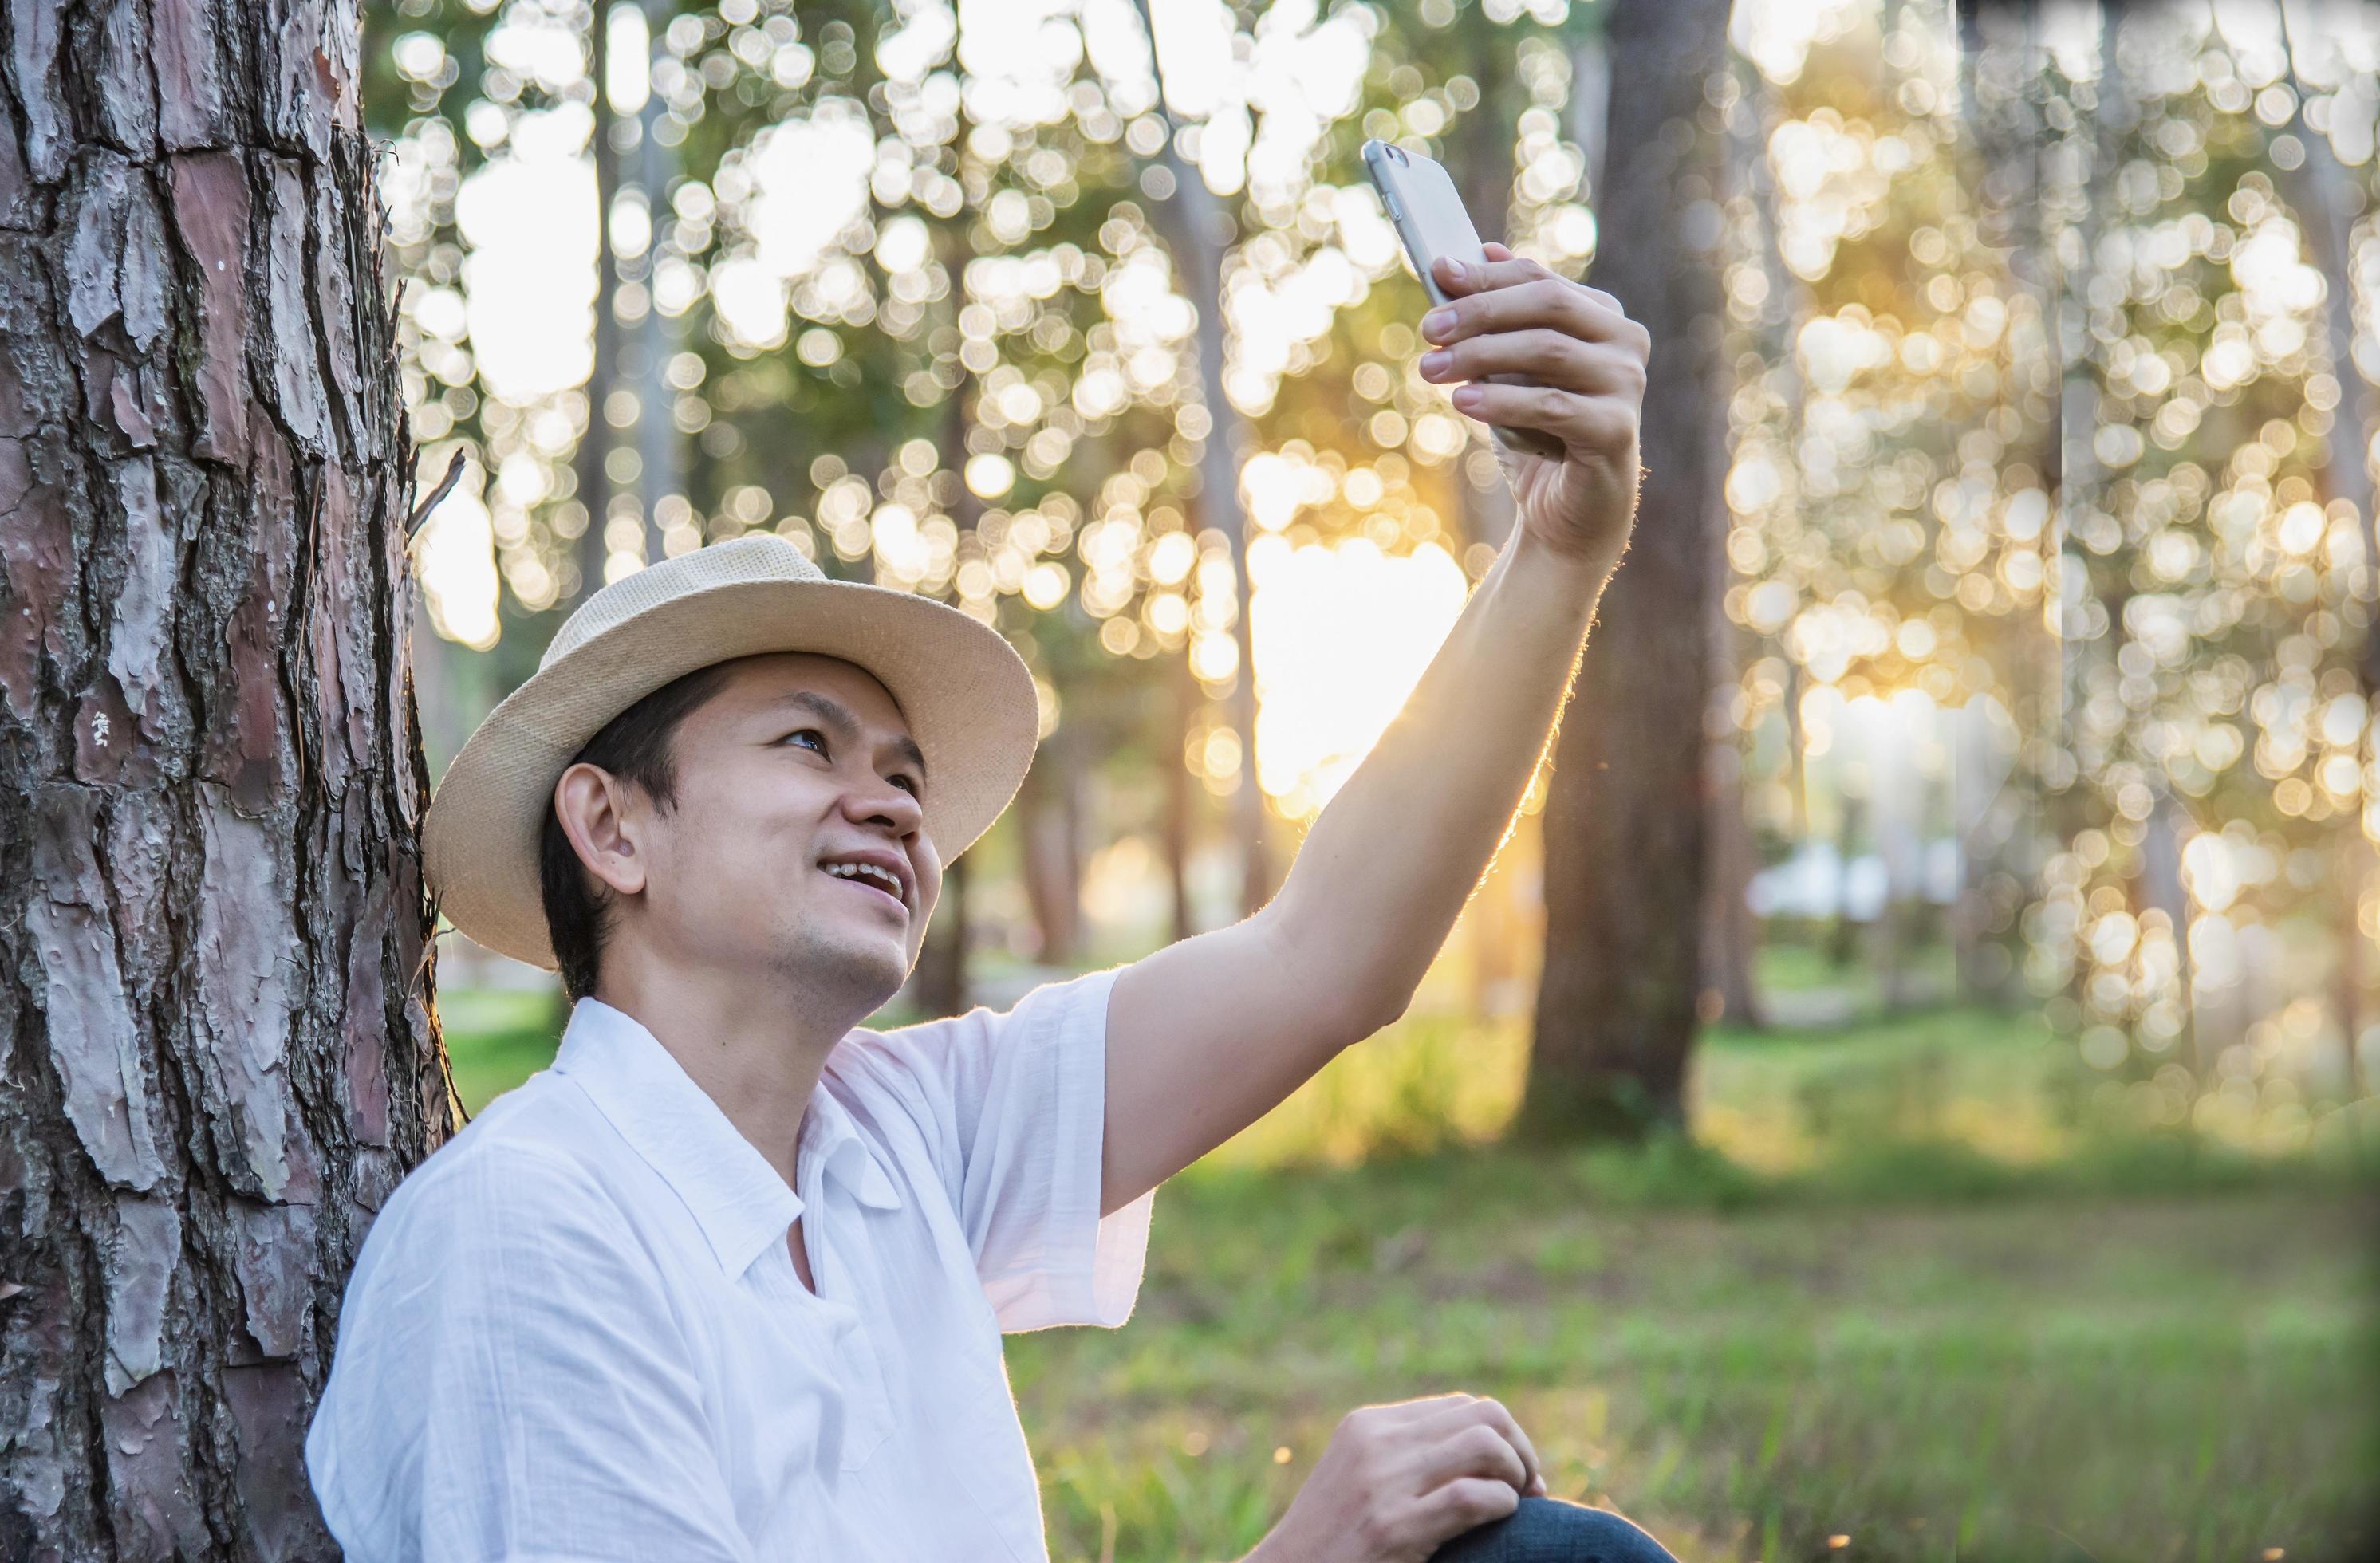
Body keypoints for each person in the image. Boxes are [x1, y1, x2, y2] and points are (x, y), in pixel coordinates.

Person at [304, 242, 1673, 1563]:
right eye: (807, 745)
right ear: (611, 826)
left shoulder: (899, 1145)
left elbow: (1327, 958)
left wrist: (1558, 552)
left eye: (905, 773)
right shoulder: (530, 1239)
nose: (894, 802)